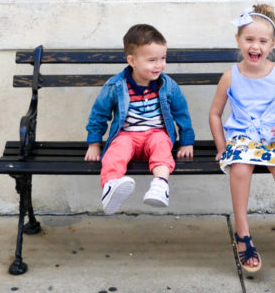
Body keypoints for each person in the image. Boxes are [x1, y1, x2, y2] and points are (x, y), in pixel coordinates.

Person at [208, 3, 275, 279]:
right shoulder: (231, 75)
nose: (255, 46)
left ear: (272, 44)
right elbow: (215, 114)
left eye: (262, 41)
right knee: (239, 169)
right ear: (238, 41)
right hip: (242, 138)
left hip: (273, 137)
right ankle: (243, 233)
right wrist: (221, 147)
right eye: (249, 39)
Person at [84, 22, 195, 214]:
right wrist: (94, 143)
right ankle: (111, 186)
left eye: (163, 58)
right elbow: (99, 114)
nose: (159, 65)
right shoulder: (116, 85)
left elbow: (182, 113)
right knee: (114, 152)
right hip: (127, 135)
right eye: (152, 60)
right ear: (132, 60)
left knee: (162, 145)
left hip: (155, 134)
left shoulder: (168, 86)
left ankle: (160, 185)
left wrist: (186, 141)